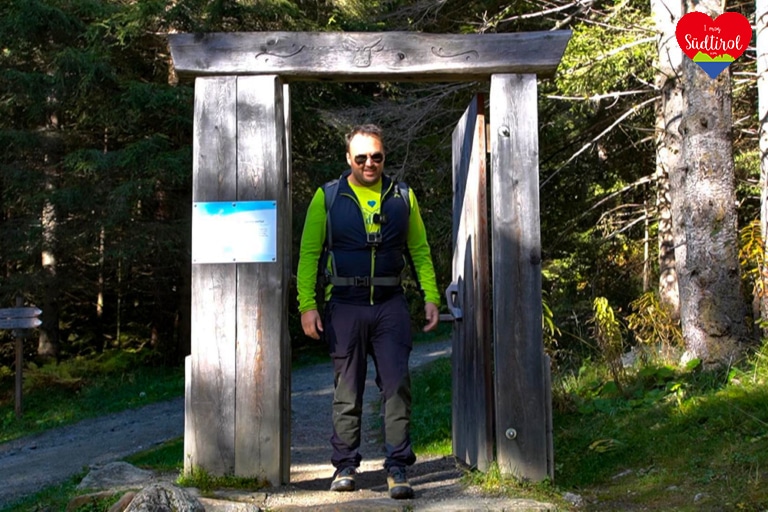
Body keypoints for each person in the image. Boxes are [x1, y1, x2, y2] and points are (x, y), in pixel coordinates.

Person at [296, 124, 440, 500]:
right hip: (344, 306)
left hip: (390, 306)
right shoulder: (326, 197)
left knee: (396, 385)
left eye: (376, 156)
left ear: (384, 156)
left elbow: (420, 251)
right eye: (361, 157)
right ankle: (344, 466)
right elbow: (309, 255)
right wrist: (307, 306)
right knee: (347, 390)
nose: (369, 163)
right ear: (348, 159)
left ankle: (397, 466)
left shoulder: (403, 196)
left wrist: (431, 296)